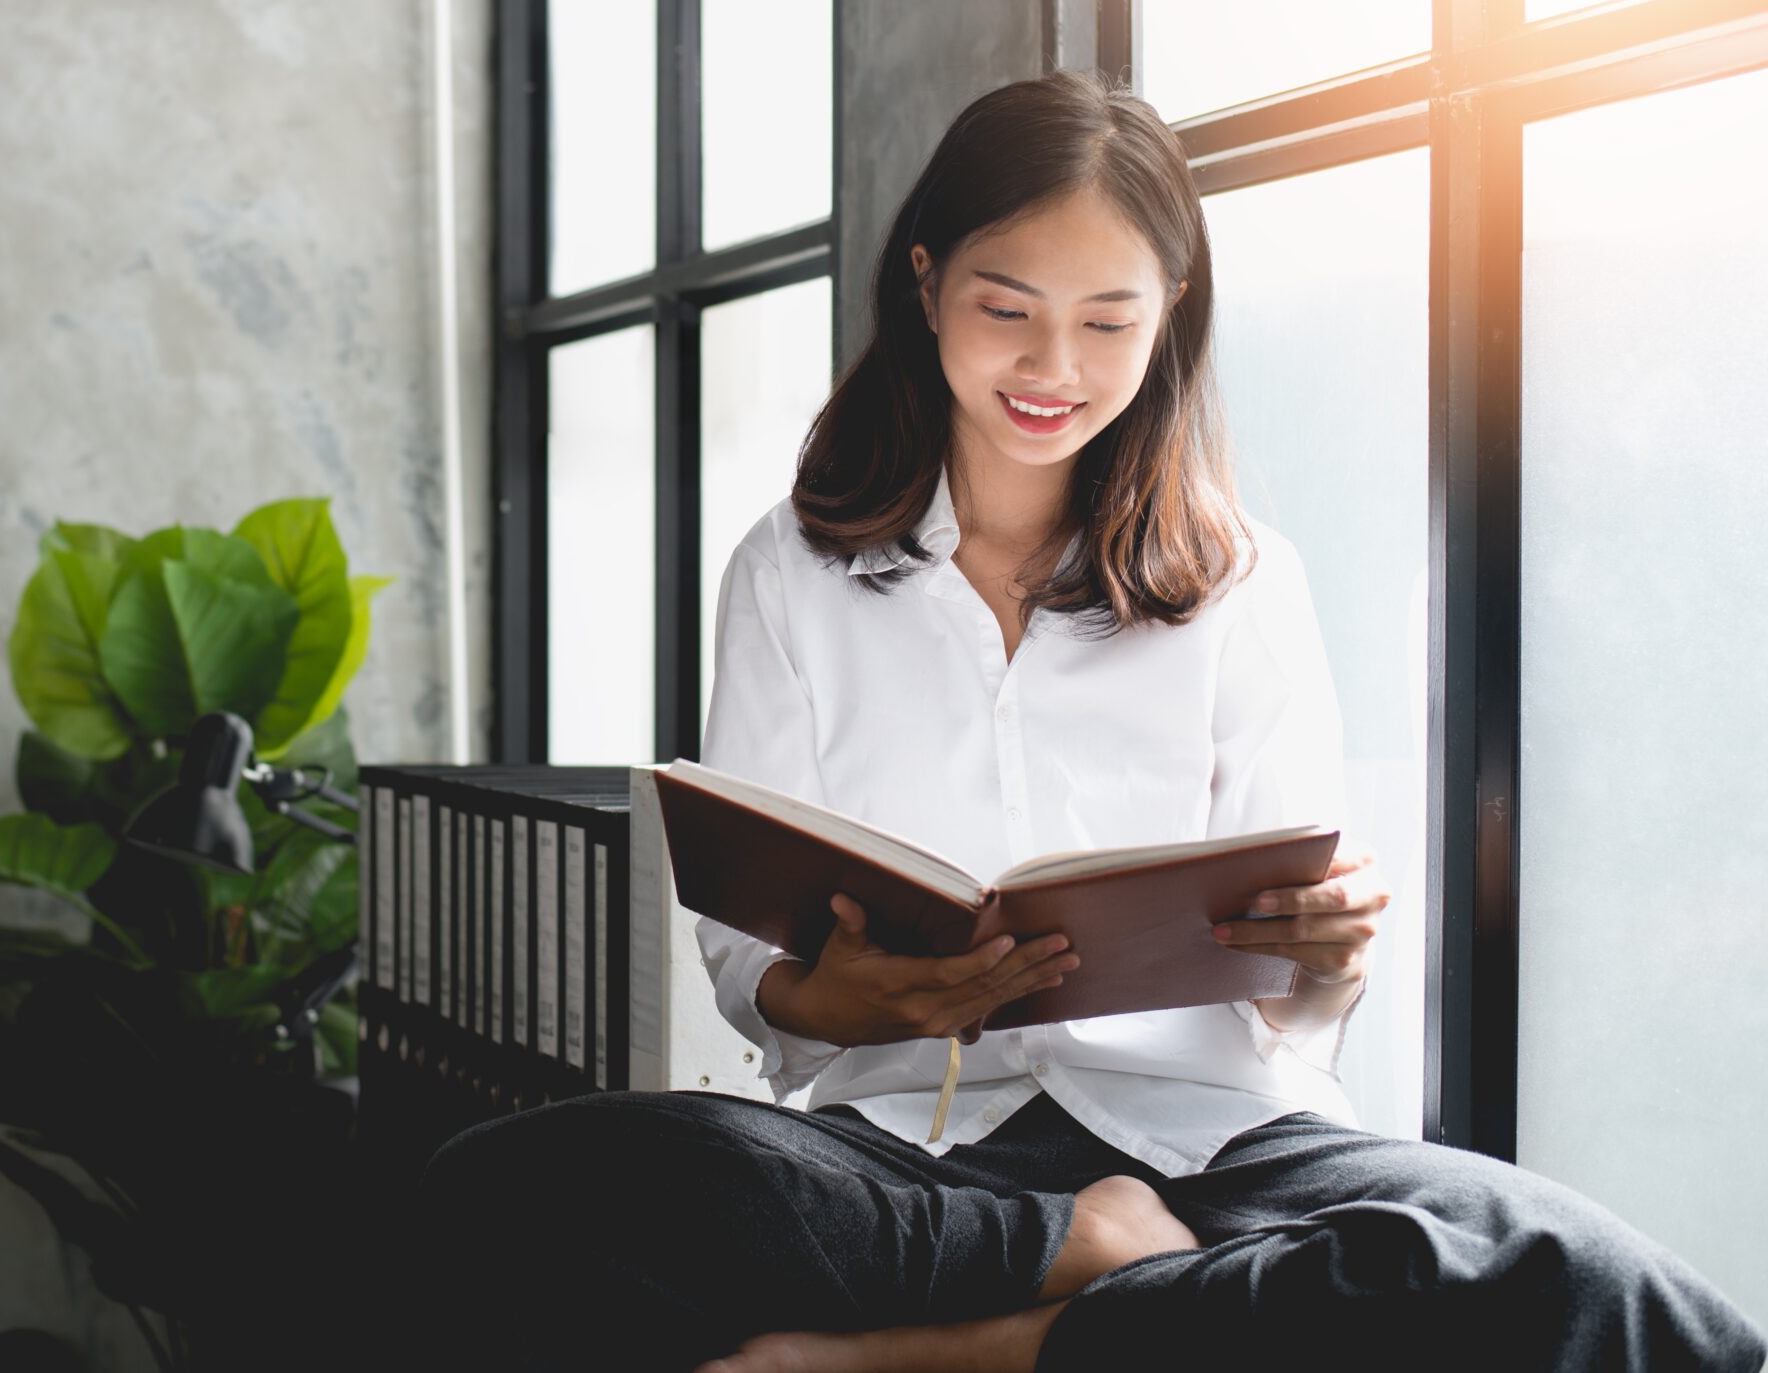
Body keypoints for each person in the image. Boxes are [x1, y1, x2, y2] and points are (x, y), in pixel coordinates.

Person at [411, 72, 1763, 1373]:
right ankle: (1085, 1256)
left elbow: (1294, 997)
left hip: (1215, 1146)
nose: (1052, 366)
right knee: (519, 1184)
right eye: (1007, 307)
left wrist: (1330, 960)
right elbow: (753, 963)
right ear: (927, 282)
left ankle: (966, 1353)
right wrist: (843, 996)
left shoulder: (1242, 581)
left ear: (1171, 312)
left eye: (1109, 323)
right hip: (910, 1157)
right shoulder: (794, 572)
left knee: (1568, 1271)